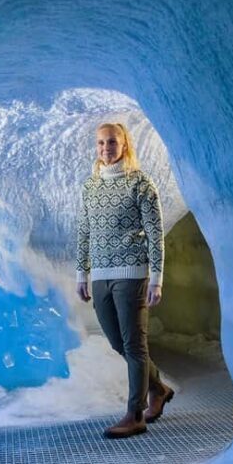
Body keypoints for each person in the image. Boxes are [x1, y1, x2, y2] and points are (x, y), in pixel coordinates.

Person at [76, 122, 175, 438]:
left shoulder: (140, 183)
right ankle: (158, 387)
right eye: (101, 143)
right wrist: (83, 273)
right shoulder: (91, 186)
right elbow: (84, 231)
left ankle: (135, 415)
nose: (106, 148)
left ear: (125, 145)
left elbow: (156, 234)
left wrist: (156, 279)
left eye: (112, 142)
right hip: (101, 276)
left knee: (134, 344)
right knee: (118, 342)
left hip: (132, 274)